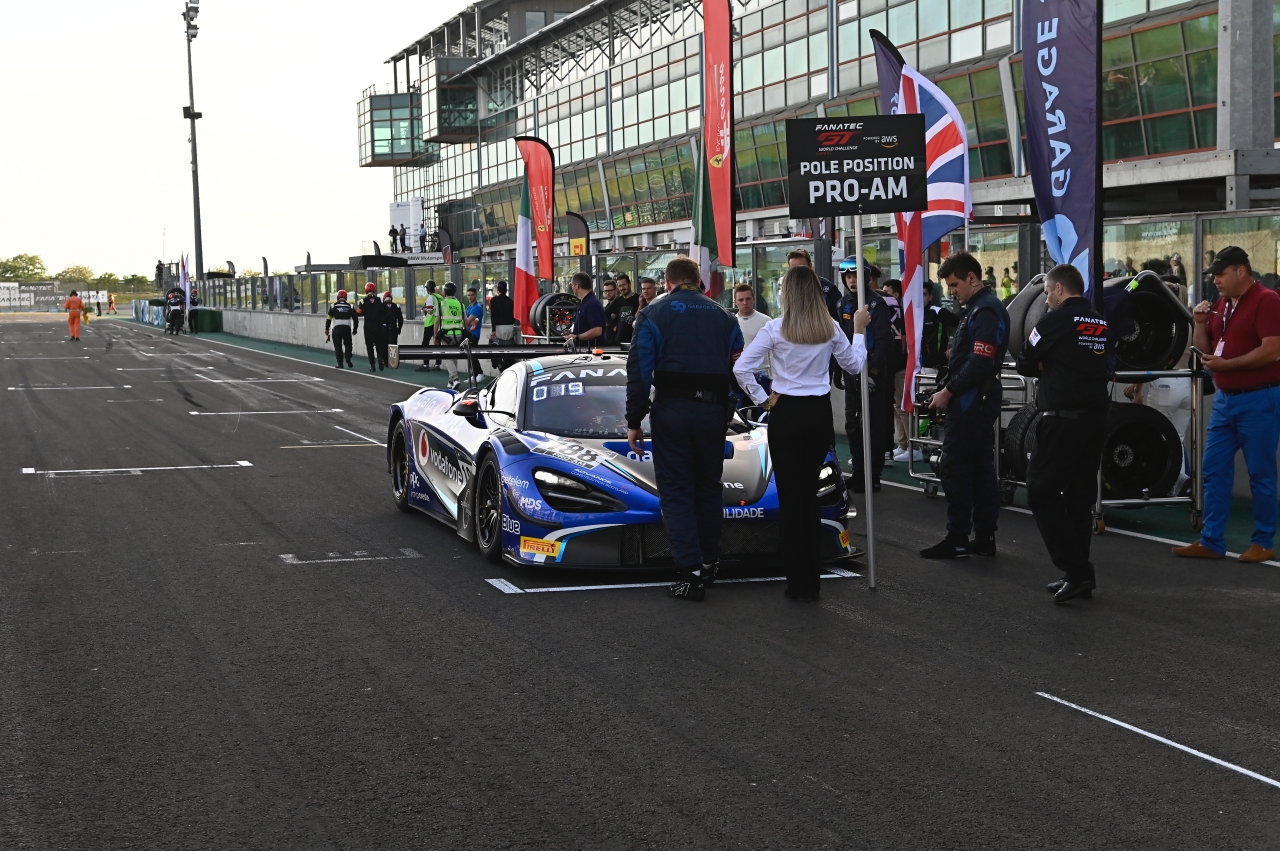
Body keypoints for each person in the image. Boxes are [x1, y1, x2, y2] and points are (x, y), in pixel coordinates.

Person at [735, 266, 870, 600]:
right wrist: (859, 331)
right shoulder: (830, 327)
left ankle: (797, 582)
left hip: (786, 412)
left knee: (791, 497)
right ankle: (813, 581)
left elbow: (741, 368)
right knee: (809, 495)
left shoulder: (775, 328)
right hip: (818, 412)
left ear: (788, 294)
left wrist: (763, 400)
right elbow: (854, 365)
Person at [627, 256, 744, 602]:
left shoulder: (653, 313)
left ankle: (690, 574)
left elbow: (639, 370)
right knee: (708, 487)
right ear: (699, 281)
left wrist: (634, 420)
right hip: (713, 413)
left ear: (667, 282)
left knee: (677, 490)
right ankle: (709, 564)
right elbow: (739, 366)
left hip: (672, 411)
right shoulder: (725, 316)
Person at [1174, 246, 1280, 563]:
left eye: (1221, 274)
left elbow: (1272, 350)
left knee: (1261, 473)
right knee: (1213, 469)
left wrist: (1227, 366)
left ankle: (1263, 542)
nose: (1216, 280)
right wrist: (1200, 323)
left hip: (1259, 397)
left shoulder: (1267, 300)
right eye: (1214, 275)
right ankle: (1212, 540)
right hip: (1226, 398)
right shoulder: (1223, 304)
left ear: (1241, 271)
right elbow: (1206, 352)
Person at [1015, 264, 1111, 604]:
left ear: (1058, 289)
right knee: (1077, 498)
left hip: (1062, 420)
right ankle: (1077, 575)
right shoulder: (1099, 322)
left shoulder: (1054, 321)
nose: (1045, 299)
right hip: (1095, 420)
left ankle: (1078, 570)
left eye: (1046, 293)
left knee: (1040, 491)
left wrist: (1048, 362)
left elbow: (1024, 361)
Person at [921, 251, 1010, 559]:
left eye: (955, 285)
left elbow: (981, 362)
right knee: (980, 467)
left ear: (972, 278)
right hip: (974, 396)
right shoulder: (976, 308)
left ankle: (958, 536)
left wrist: (949, 391)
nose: (952, 292)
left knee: (956, 465)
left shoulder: (985, 310)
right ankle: (983, 537)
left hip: (974, 398)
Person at [838, 260, 894, 491]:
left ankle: (873, 475)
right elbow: (840, 339)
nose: (852, 280)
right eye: (848, 276)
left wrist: (872, 372)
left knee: (873, 425)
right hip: (851, 371)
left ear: (867, 278)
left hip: (873, 374)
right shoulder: (842, 303)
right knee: (853, 424)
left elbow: (884, 342)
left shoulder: (877, 304)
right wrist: (838, 369)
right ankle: (859, 471)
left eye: (856, 275)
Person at [733, 283, 772, 397]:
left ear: (754, 299)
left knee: (763, 407)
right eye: (741, 300)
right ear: (735, 301)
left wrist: (774, 377)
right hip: (740, 376)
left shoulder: (766, 321)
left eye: (748, 299)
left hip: (762, 374)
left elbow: (773, 352)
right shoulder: (731, 322)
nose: (745, 303)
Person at [779, 247, 839, 318]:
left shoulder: (826, 288)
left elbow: (837, 317)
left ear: (810, 266)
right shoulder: (787, 289)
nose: (798, 272)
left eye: (802, 267)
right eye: (794, 269)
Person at [438, 281, 466, 388]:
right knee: (454, 357)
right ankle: (450, 382)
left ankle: (455, 378)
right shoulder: (460, 304)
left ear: (445, 292)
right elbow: (465, 321)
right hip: (459, 335)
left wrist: (435, 335)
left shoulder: (441, 304)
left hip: (447, 335)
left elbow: (437, 321)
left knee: (447, 357)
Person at [565, 272, 605, 346]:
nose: (572, 288)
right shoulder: (585, 302)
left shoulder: (591, 303)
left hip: (591, 350)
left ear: (577, 286)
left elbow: (597, 330)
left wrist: (576, 337)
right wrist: (572, 331)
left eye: (572, 285)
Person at [487, 280, 519, 371]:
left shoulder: (494, 300)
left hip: (499, 328)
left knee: (492, 348)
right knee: (508, 350)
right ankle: (508, 367)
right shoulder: (510, 301)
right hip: (509, 327)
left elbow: (493, 316)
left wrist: (493, 330)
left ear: (498, 289)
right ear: (506, 289)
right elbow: (514, 316)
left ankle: (500, 365)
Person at [356, 282, 385, 372]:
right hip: (378, 326)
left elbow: (359, 313)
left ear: (366, 290)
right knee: (379, 344)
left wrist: (365, 312)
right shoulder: (380, 300)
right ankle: (380, 357)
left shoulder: (363, 301)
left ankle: (372, 365)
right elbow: (383, 311)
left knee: (369, 346)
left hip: (368, 327)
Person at [325, 289, 358, 368]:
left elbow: (329, 318)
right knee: (348, 344)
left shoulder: (333, 306)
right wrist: (355, 329)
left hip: (337, 329)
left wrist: (327, 329)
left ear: (338, 297)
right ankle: (348, 357)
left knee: (338, 346)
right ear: (346, 297)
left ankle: (340, 363)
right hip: (347, 329)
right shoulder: (350, 306)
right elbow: (355, 319)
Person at [607, 274, 641, 344]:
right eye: (619, 286)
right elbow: (606, 313)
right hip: (620, 340)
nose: (622, 288)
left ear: (629, 284)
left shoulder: (638, 298)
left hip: (635, 339)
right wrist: (614, 326)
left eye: (624, 285)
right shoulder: (618, 301)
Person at [417, 280, 441, 372]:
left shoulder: (430, 298)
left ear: (427, 289)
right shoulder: (439, 297)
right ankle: (437, 364)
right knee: (437, 343)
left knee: (425, 344)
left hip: (430, 323)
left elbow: (430, 311)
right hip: (439, 322)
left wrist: (425, 309)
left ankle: (426, 364)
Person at [380, 291, 404, 368]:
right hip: (393, 328)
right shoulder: (396, 306)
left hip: (383, 328)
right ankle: (394, 362)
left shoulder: (381, 306)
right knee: (393, 346)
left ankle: (385, 362)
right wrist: (399, 328)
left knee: (384, 345)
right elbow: (400, 319)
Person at [601, 279, 619, 343]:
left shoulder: (620, 304)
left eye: (610, 291)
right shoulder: (607, 306)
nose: (608, 293)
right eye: (606, 291)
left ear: (615, 290)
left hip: (617, 340)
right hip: (608, 340)